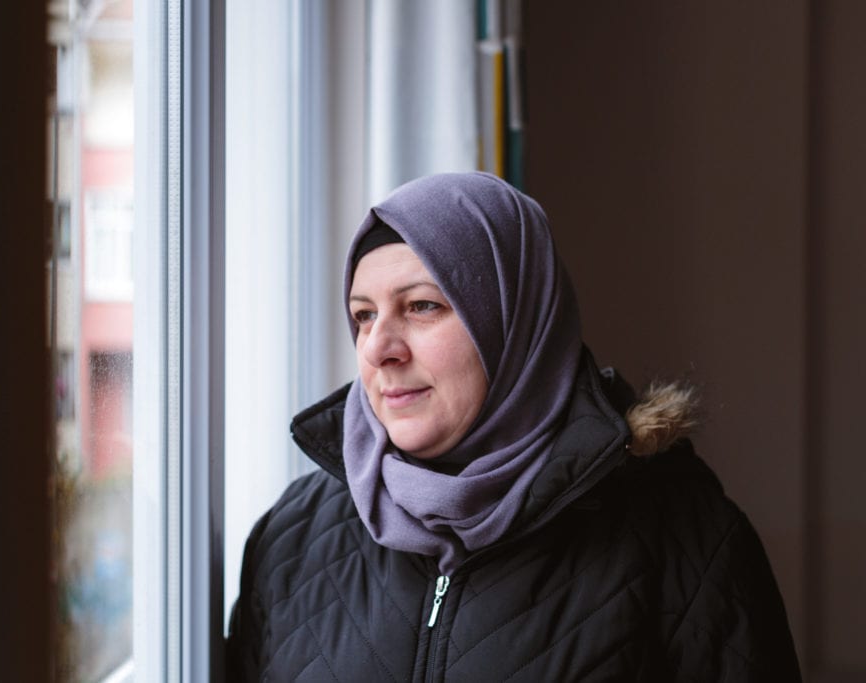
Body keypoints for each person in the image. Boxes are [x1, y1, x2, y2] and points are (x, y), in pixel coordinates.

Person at [226, 172, 800, 681]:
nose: (378, 348)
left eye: (422, 306)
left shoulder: (683, 537)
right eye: (364, 314)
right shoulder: (294, 535)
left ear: (516, 323)